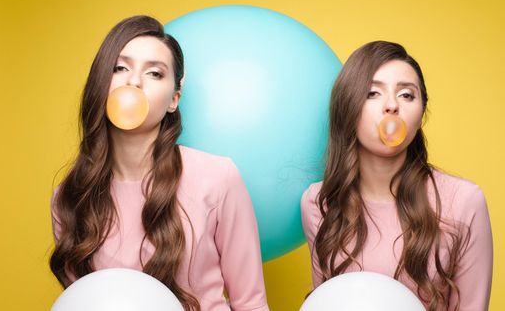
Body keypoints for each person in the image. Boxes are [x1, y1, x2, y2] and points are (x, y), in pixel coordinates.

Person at [50, 15, 269, 311]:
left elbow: (251, 303)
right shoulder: (71, 195)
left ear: (174, 99)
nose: (134, 81)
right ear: (102, 82)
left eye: (154, 73)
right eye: (120, 67)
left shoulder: (218, 177)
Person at [301, 41, 492, 310]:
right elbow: (326, 302)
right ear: (348, 107)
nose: (392, 105)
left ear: (421, 111)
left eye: (406, 95)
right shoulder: (318, 202)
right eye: (372, 93)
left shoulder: (464, 201)